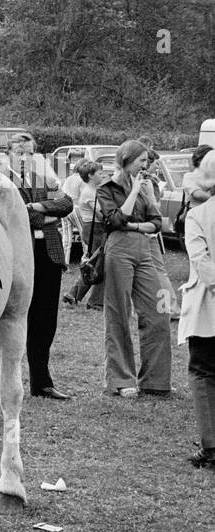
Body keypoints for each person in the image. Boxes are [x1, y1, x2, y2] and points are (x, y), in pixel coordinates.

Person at [97, 140, 171, 397]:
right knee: (118, 312)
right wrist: (133, 192)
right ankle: (121, 380)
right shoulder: (107, 189)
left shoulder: (144, 188)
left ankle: (155, 380)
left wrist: (135, 225)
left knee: (158, 312)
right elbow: (116, 219)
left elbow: (156, 222)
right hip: (118, 250)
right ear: (127, 160)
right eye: (141, 160)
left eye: (146, 160)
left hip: (145, 249)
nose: (146, 165)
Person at [1, 136, 74, 399]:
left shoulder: (43, 178)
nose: (24, 158)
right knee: (20, 317)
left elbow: (68, 204)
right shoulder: (2, 180)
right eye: (19, 153)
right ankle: (10, 379)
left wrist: (38, 207)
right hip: (21, 256)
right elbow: (19, 214)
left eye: (29, 153)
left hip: (49, 254)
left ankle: (42, 381)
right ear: (8, 154)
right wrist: (46, 216)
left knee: (46, 319)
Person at [179, 156, 215, 467]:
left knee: (203, 373)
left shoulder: (198, 215)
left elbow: (201, 262)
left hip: (208, 307)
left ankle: (211, 446)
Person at [64, 159, 108, 308]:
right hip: (94, 229)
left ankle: (75, 295)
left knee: (96, 263)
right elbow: (102, 215)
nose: (103, 175)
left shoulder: (94, 190)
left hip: (95, 229)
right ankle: (89, 299)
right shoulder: (89, 193)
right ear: (90, 175)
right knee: (97, 264)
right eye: (100, 173)